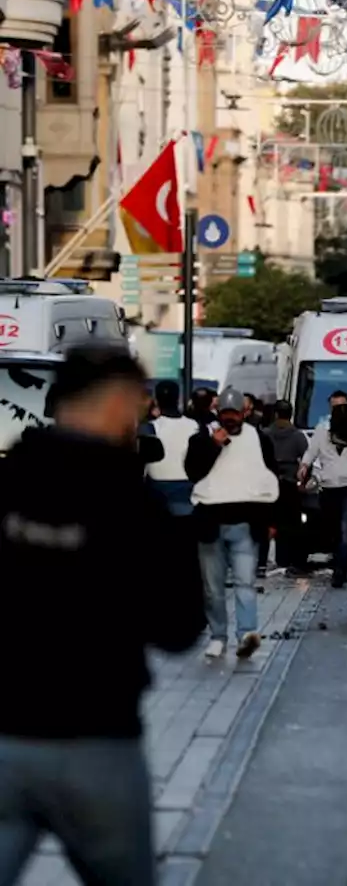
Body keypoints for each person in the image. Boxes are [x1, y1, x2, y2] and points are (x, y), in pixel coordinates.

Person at [0, 345, 204, 885]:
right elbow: (180, 630)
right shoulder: (134, 506)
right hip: (97, 739)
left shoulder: (5, 485)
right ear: (117, 404)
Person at [186, 386, 279, 660]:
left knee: (245, 583)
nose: (230, 419)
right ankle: (218, 636)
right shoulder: (202, 439)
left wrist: (272, 520)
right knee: (212, 589)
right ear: (218, 413)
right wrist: (213, 445)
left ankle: (246, 634)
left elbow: (270, 478)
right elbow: (193, 471)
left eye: (235, 414)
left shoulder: (260, 440)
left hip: (246, 524)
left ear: (243, 413)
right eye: (225, 413)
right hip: (210, 523)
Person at [298, 390, 347, 588]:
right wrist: (304, 466)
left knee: (345, 529)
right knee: (334, 530)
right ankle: (339, 561)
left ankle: (340, 571)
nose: (339, 411)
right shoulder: (322, 431)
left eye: (342, 406)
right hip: (328, 486)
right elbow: (311, 452)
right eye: (335, 407)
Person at [265, 399, 310, 576]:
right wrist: (303, 482)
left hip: (271, 482)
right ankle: (295, 559)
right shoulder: (298, 435)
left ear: (275, 414)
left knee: (272, 521)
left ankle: (279, 558)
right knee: (293, 523)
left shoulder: (266, 434)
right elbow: (307, 459)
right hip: (291, 483)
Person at [142, 379, 199, 518]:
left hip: (156, 490)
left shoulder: (149, 428)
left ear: (156, 400)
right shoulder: (195, 426)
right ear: (178, 398)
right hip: (188, 490)